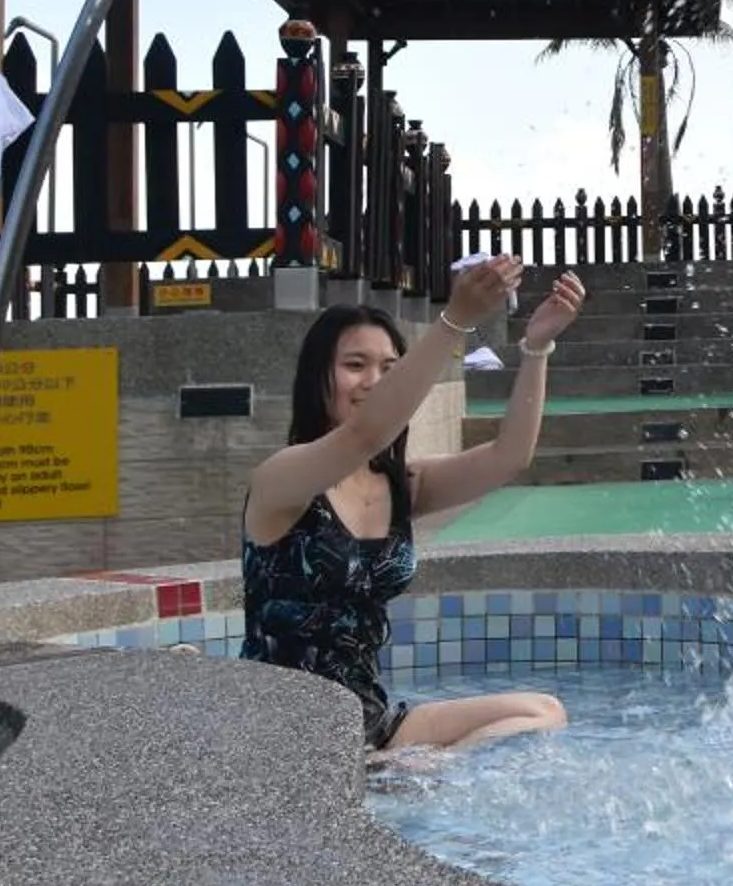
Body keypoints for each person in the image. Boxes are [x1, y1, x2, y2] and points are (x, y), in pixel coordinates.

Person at [241, 255, 586, 754]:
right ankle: (396, 774)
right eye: (355, 366)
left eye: (389, 369)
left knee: (543, 712)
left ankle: (402, 772)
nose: (374, 382)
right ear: (318, 376)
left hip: (367, 723)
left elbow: (509, 457)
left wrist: (537, 348)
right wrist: (456, 320)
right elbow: (365, 434)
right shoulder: (283, 478)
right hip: (281, 730)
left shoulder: (401, 485)